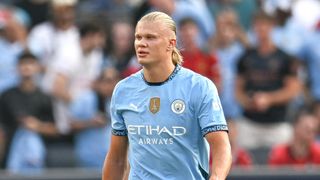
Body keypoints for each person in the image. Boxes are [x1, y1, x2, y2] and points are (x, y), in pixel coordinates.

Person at [102, 11, 232, 180]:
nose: (141, 43)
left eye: (150, 37)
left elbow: (222, 147)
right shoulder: (123, 90)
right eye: (138, 37)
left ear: (171, 44)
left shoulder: (199, 87)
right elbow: (117, 159)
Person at [235, 10, 301, 150]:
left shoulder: (285, 58)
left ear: (272, 27)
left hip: (277, 123)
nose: (261, 29)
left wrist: (268, 99)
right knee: (244, 167)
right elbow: (238, 90)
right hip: (250, 122)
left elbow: (293, 90)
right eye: (258, 25)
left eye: (265, 25)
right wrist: (248, 101)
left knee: (282, 167)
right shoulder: (246, 57)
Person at [0, 51, 58, 171]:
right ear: (16, 68)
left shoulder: (45, 97)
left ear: (37, 67)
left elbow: (54, 130)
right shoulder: (6, 96)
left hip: (38, 157)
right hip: (10, 155)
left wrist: (37, 126)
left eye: (30, 63)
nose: (26, 67)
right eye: (22, 63)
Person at [69, 67, 119, 168]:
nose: (111, 85)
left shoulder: (118, 100)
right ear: (98, 82)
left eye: (115, 81)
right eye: (108, 81)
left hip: (112, 160)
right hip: (89, 158)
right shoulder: (85, 98)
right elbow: (71, 125)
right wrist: (90, 123)